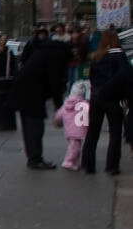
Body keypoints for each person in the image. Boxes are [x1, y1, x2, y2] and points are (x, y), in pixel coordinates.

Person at [10, 29, 71, 169]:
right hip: (31, 94)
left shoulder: (45, 51)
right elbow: (55, 82)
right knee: (35, 127)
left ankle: (33, 157)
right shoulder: (56, 56)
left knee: (28, 127)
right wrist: (58, 105)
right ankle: (35, 159)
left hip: (25, 91)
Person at [81, 29, 131, 175]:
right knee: (115, 132)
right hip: (113, 99)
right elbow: (125, 76)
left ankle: (88, 164)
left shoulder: (97, 57)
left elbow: (91, 77)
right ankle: (112, 166)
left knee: (93, 131)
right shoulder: (119, 56)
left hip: (97, 97)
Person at [54, 81, 91, 170]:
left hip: (69, 130)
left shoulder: (67, 103)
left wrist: (58, 122)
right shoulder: (84, 104)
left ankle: (74, 162)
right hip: (78, 130)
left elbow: (59, 114)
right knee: (75, 148)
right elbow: (87, 117)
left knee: (74, 147)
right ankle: (68, 161)